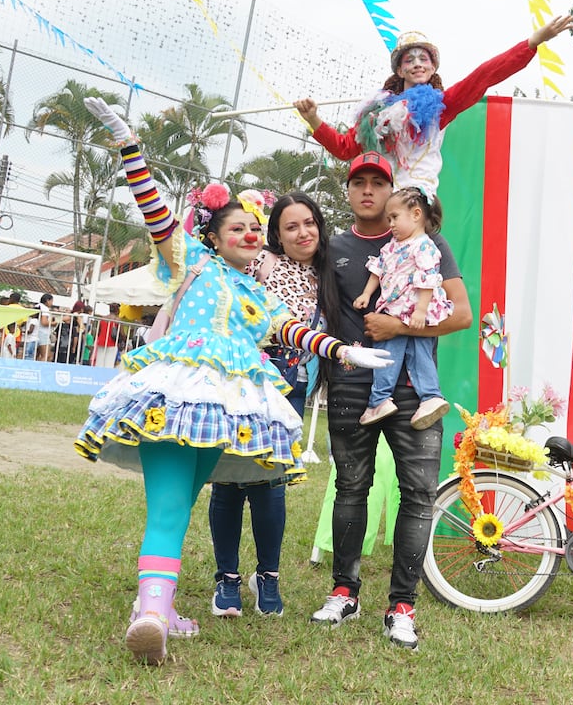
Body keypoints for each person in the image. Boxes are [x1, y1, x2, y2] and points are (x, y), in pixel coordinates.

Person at [74, 97, 392, 665]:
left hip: (219, 410)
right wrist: (128, 145)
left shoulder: (256, 293)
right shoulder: (190, 262)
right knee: (169, 506)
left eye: (253, 229)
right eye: (237, 228)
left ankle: (157, 606)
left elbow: (295, 332)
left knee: (178, 504)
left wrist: (343, 350)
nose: (248, 234)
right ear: (215, 237)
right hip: (176, 393)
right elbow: (154, 208)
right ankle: (152, 614)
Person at [310, 151, 472, 650]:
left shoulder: (429, 243)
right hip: (351, 387)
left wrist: (398, 326)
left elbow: (461, 314)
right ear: (347, 191)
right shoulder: (333, 247)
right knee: (351, 488)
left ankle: (402, 606)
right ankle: (344, 592)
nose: (367, 190)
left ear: (392, 191)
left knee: (418, 494)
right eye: (357, 182)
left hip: (413, 393)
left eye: (377, 183)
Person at [208, 190, 335, 619]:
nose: (303, 232)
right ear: (276, 235)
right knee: (228, 479)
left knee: (270, 481)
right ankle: (226, 578)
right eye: (290, 226)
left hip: (291, 387)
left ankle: (268, 576)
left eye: (309, 223)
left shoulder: (328, 274)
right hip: (243, 380)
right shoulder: (261, 261)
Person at [294, 16, 573, 194]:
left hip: (416, 200)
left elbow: (484, 76)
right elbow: (345, 149)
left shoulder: (442, 106)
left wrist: (532, 42)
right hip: (381, 199)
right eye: (409, 60)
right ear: (400, 70)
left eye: (423, 59)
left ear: (432, 67)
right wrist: (313, 119)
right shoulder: (376, 115)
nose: (417, 63)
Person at [352, 187, 452, 428]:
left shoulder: (424, 245)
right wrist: (366, 293)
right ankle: (381, 399)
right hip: (395, 309)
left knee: (420, 354)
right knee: (389, 353)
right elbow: (378, 269)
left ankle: (429, 396)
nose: (391, 224)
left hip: (416, 311)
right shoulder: (392, 246)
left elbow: (428, 279)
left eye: (395, 217)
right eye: (389, 219)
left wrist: (421, 311)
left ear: (416, 214)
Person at [36, 293, 55, 363]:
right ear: (47, 300)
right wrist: (54, 323)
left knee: (37, 355)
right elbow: (44, 322)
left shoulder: (37, 306)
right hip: (43, 333)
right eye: (51, 301)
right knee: (46, 356)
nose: (52, 303)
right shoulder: (45, 308)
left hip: (35, 332)